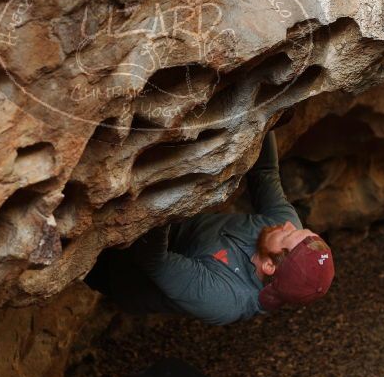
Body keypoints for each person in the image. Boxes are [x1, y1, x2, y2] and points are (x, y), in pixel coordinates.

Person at [85, 130, 335, 325]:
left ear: (270, 265)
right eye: (302, 230)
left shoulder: (224, 300)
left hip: (118, 270)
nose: (289, 224)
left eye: (290, 234)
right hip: (167, 228)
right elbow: (265, 173)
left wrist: (170, 197)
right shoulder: (285, 231)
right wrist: (264, 111)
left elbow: (153, 260)